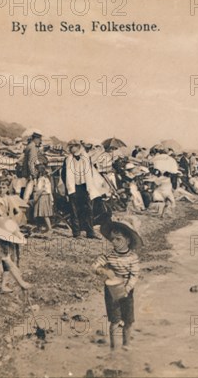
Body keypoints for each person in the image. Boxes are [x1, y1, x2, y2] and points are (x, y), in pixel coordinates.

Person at [92, 220, 142, 350]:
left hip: (126, 290)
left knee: (128, 320)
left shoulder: (133, 258)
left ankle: (126, 344)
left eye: (118, 239)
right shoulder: (109, 255)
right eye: (112, 239)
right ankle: (113, 347)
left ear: (128, 241)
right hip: (111, 291)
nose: (114, 242)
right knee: (114, 320)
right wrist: (102, 270)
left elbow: (134, 276)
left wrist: (127, 289)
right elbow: (95, 266)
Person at [61, 140, 101, 239]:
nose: (72, 149)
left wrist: (89, 186)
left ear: (78, 147)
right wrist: (69, 188)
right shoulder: (68, 159)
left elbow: (90, 173)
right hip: (73, 187)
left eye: (73, 147)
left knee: (88, 210)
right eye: (70, 147)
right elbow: (64, 175)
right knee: (74, 210)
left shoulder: (85, 158)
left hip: (84, 186)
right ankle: (76, 233)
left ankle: (90, 232)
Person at [21, 132, 42, 201]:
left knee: (27, 190)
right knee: (28, 191)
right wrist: (33, 174)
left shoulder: (29, 146)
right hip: (30, 173)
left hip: (26, 171)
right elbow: (31, 162)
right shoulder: (33, 147)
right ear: (35, 139)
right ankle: (25, 205)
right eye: (39, 139)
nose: (40, 141)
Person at [33, 164, 53, 232]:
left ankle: (49, 228)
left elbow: (39, 189)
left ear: (39, 171)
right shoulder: (46, 178)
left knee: (44, 213)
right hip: (45, 196)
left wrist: (35, 190)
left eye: (36, 170)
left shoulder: (41, 179)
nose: (35, 171)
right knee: (41, 213)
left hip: (42, 196)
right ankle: (39, 228)